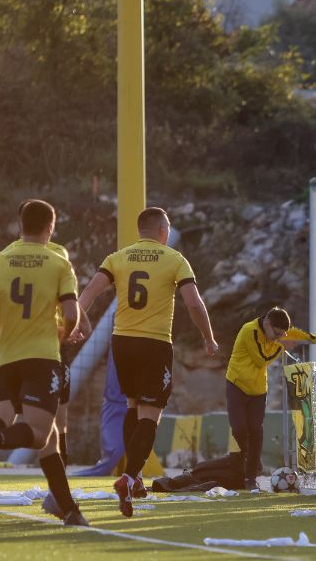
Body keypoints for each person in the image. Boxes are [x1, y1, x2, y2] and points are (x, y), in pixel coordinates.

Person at [76, 207, 218, 518]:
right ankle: (128, 479)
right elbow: (193, 302)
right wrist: (208, 336)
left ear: (140, 230)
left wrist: (75, 322)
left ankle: (136, 476)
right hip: (154, 343)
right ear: (163, 230)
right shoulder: (174, 259)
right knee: (150, 415)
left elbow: (90, 292)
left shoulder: (118, 257)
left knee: (132, 405)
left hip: (122, 341)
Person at [0, 200, 88, 526]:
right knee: (38, 434)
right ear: (51, 227)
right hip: (41, 359)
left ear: (19, 224)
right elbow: (73, 314)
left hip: (5, 360)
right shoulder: (59, 263)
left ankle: (70, 510)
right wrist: (65, 334)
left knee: (32, 435)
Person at [225, 308, 316, 490]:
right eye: (276, 334)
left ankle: (250, 477)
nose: (278, 337)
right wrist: (282, 345)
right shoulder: (249, 330)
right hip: (237, 385)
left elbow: (296, 332)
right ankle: (245, 462)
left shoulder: (277, 331)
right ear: (267, 323)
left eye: (281, 334)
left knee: (256, 432)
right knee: (240, 428)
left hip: (258, 390)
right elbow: (262, 360)